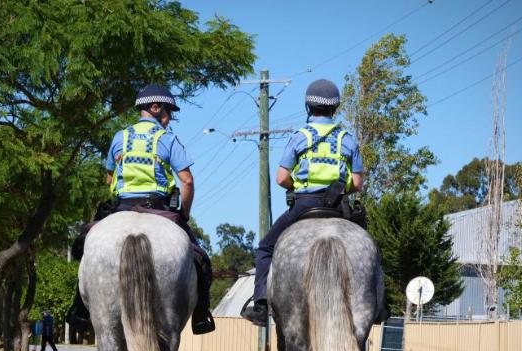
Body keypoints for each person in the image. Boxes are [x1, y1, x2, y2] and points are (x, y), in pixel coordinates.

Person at [69, 84, 215, 335]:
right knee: (200, 258)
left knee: (83, 246)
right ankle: (201, 315)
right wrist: (184, 214)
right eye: (168, 112)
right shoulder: (167, 139)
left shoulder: (119, 137)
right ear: (155, 108)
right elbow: (187, 181)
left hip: (122, 206)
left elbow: (109, 178)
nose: (169, 119)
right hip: (158, 208)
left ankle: (80, 308)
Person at [241, 79, 364, 326]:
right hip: (338, 208)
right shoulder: (347, 139)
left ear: (309, 107)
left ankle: (261, 303)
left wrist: (297, 186)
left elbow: (281, 177)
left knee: (265, 248)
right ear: (335, 108)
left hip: (305, 206)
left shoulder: (300, 137)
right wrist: (341, 187)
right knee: (368, 249)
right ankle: (379, 305)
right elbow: (357, 183)